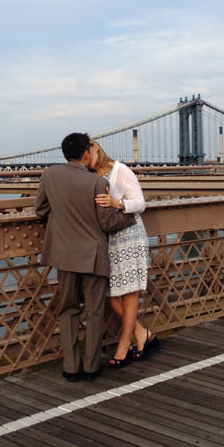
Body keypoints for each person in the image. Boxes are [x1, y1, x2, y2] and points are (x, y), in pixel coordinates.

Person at [35, 133, 135, 382]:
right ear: (86, 154)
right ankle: (91, 367)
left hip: (64, 253)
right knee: (94, 310)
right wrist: (128, 216)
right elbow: (107, 223)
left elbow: (40, 210)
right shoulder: (98, 183)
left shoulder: (49, 176)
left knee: (67, 309)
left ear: (64, 154)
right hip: (93, 255)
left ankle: (70, 367)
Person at [90, 140, 159, 368]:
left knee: (129, 292)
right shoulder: (89, 175)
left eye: (87, 152)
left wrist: (116, 202)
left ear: (96, 149)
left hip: (129, 235)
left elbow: (140, 203)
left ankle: (124, 344)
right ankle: (141, 333)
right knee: (108, 292)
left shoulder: (120, 170)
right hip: (108, 239)